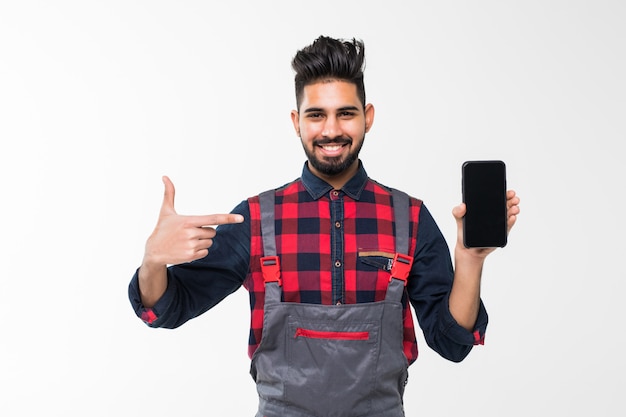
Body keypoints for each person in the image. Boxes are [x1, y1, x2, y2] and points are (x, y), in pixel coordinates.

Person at [128, 35, 520, 417]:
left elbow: (452, 343)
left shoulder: (410, 218)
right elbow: (168, 308)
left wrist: (470, 259)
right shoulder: (255, 220)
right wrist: (153, 261)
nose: (331, 130)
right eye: (317, 115)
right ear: (297, 122)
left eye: (345, 113)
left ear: (367, 117)